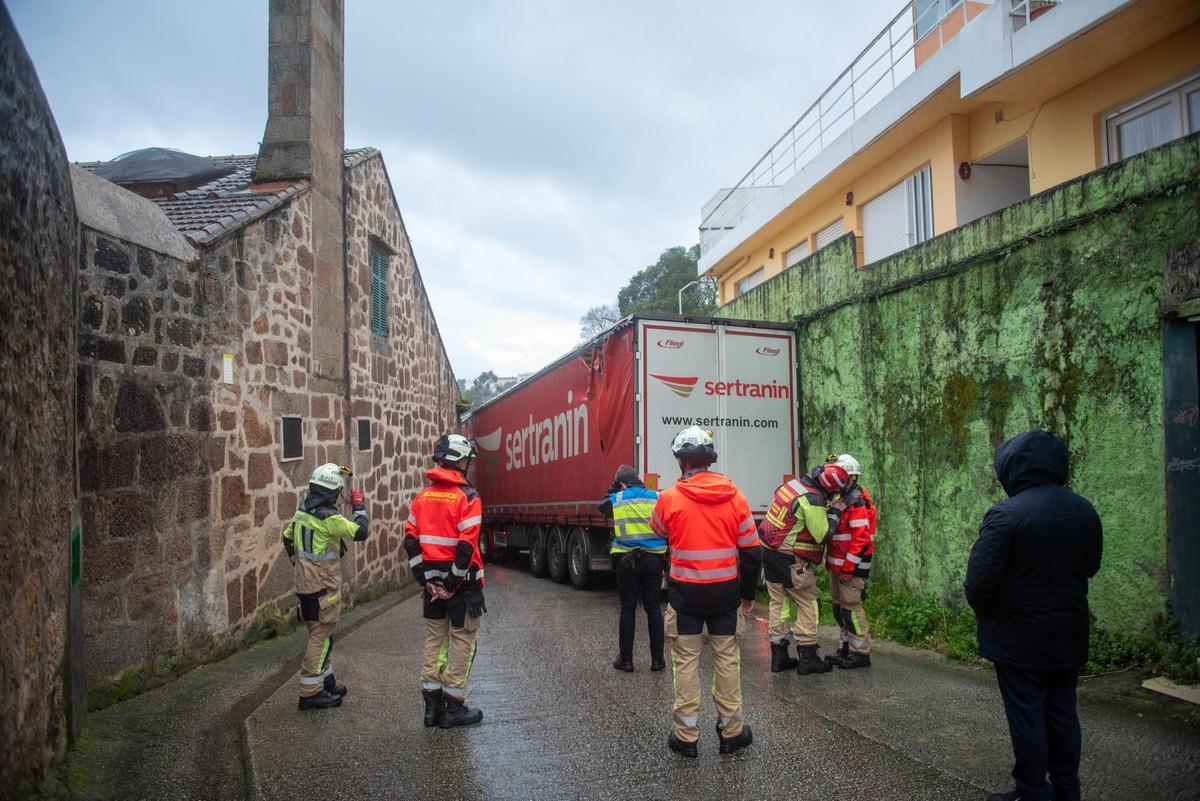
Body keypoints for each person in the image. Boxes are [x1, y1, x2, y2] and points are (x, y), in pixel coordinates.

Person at [964, 430, 1102, 801]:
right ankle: (1066, 788)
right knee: (1062, 712)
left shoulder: (1006, 515)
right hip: (1069, 633)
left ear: (1014, 468)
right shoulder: (1083, 509)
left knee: (1027, 714)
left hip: (1018, 640)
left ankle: (1031, 790)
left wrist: (994, 614)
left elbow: (978, 583)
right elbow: (1091, 566)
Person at [651, 426, 762, 758]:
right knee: (727, 660)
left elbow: (658, 530)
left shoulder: (669, 498)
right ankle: (732, 732)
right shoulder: (735, 496)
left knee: (686, 662)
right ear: (710, 460)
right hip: (726, 596)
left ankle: (686, 737)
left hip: (685, 596)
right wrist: (747, 594)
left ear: (681, 461)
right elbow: (753, 552)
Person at [403, 434, 487, 729]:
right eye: (466, 460)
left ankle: (431, 710)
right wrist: (450, 584)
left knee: (434, 642)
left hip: (432, 589)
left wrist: (427, 582)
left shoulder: (421, 499)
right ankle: (453, 709)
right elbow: (466, 548)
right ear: (459, 462)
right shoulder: (468, 497)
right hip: (462, 588)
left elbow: (411, 543)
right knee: (463, 640)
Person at [281, 463, 368, 710]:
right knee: (321, 636)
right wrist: (359, 507)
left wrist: (299, 563)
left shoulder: (301, 514)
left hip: (306, 584)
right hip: (323, 585)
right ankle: (310, 692)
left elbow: (286, 538)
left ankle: (325, 680)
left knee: (321, 633)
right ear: (332, 493)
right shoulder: (330, 519)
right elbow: (361, 532)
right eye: (338, 492)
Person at [758, 464, 849, 674]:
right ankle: (808, 658)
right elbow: (822, 535)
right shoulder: (814, 499)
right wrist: (835, 511)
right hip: (790, 559)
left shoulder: (792, 486)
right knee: (809, 603)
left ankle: (778, 657)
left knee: (779, 604)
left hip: (769, 552)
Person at [599, 465, 667, 672]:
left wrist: (614, 487)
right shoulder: (658, 497)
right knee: (654, 608)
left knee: (628, 609)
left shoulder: (617, 499)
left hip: (627, 561)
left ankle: (626, 660)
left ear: (621, 483)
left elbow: (601, 506)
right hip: (654, 560)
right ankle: (657, 660)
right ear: (639, 479)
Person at [824, 453, 877, 669]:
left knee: (851, 609)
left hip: (851, 568)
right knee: (839, 608)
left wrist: (848, 567)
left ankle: (860, 652)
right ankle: (844, 647)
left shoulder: (857, 502)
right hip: (838, 566)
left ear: (850, 477)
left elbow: (860, 538)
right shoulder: (841, 500)